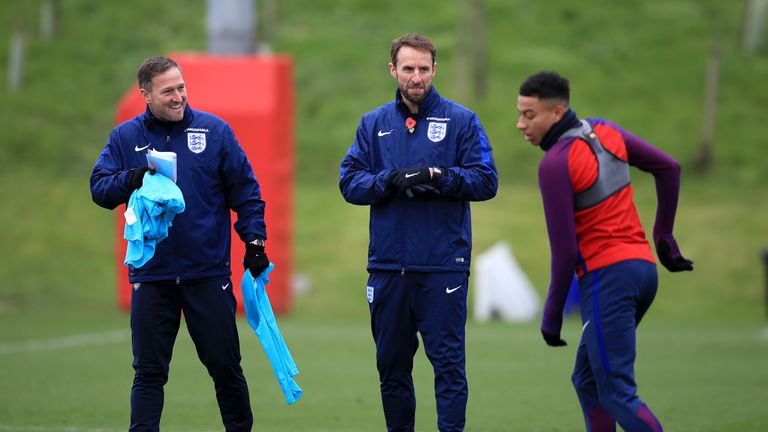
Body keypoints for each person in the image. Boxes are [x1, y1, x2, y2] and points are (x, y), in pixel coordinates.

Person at [90, 56, 270, 432]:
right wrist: (134, 177)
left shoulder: (215, 131)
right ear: (146, 95)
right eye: (168, 90)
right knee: (149, 373)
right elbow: (100, 189)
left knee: (225, 367)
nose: (178, 97)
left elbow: (246, 192)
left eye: (181, 87)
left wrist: (254, 241)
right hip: (152, 276)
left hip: (207, 275)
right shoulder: (125, 137)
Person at [516, 71, 693, 432]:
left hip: (608, 279)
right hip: (642, 271)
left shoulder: (554, 164)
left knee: (616, 394)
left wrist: (551, 317)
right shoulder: (605, 130)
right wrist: (664, 238)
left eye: (529, 115)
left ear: (556, 111)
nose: (521, 124)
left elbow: (565, 252)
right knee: (588, 381)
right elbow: (669, 169)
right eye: (519, 113)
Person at [339, 33, 498, 432]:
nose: (416, 77)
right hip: (389, 268)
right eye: (408, 68)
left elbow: (486, 180)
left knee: (448, 368)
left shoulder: (462, 120)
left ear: (434, 70)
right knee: (391, 370)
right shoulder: (373, 124)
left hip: (443, 267)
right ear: (393, 70)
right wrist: (389, 182)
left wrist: (438, 176)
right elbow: (350, 182)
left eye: (423, 69)